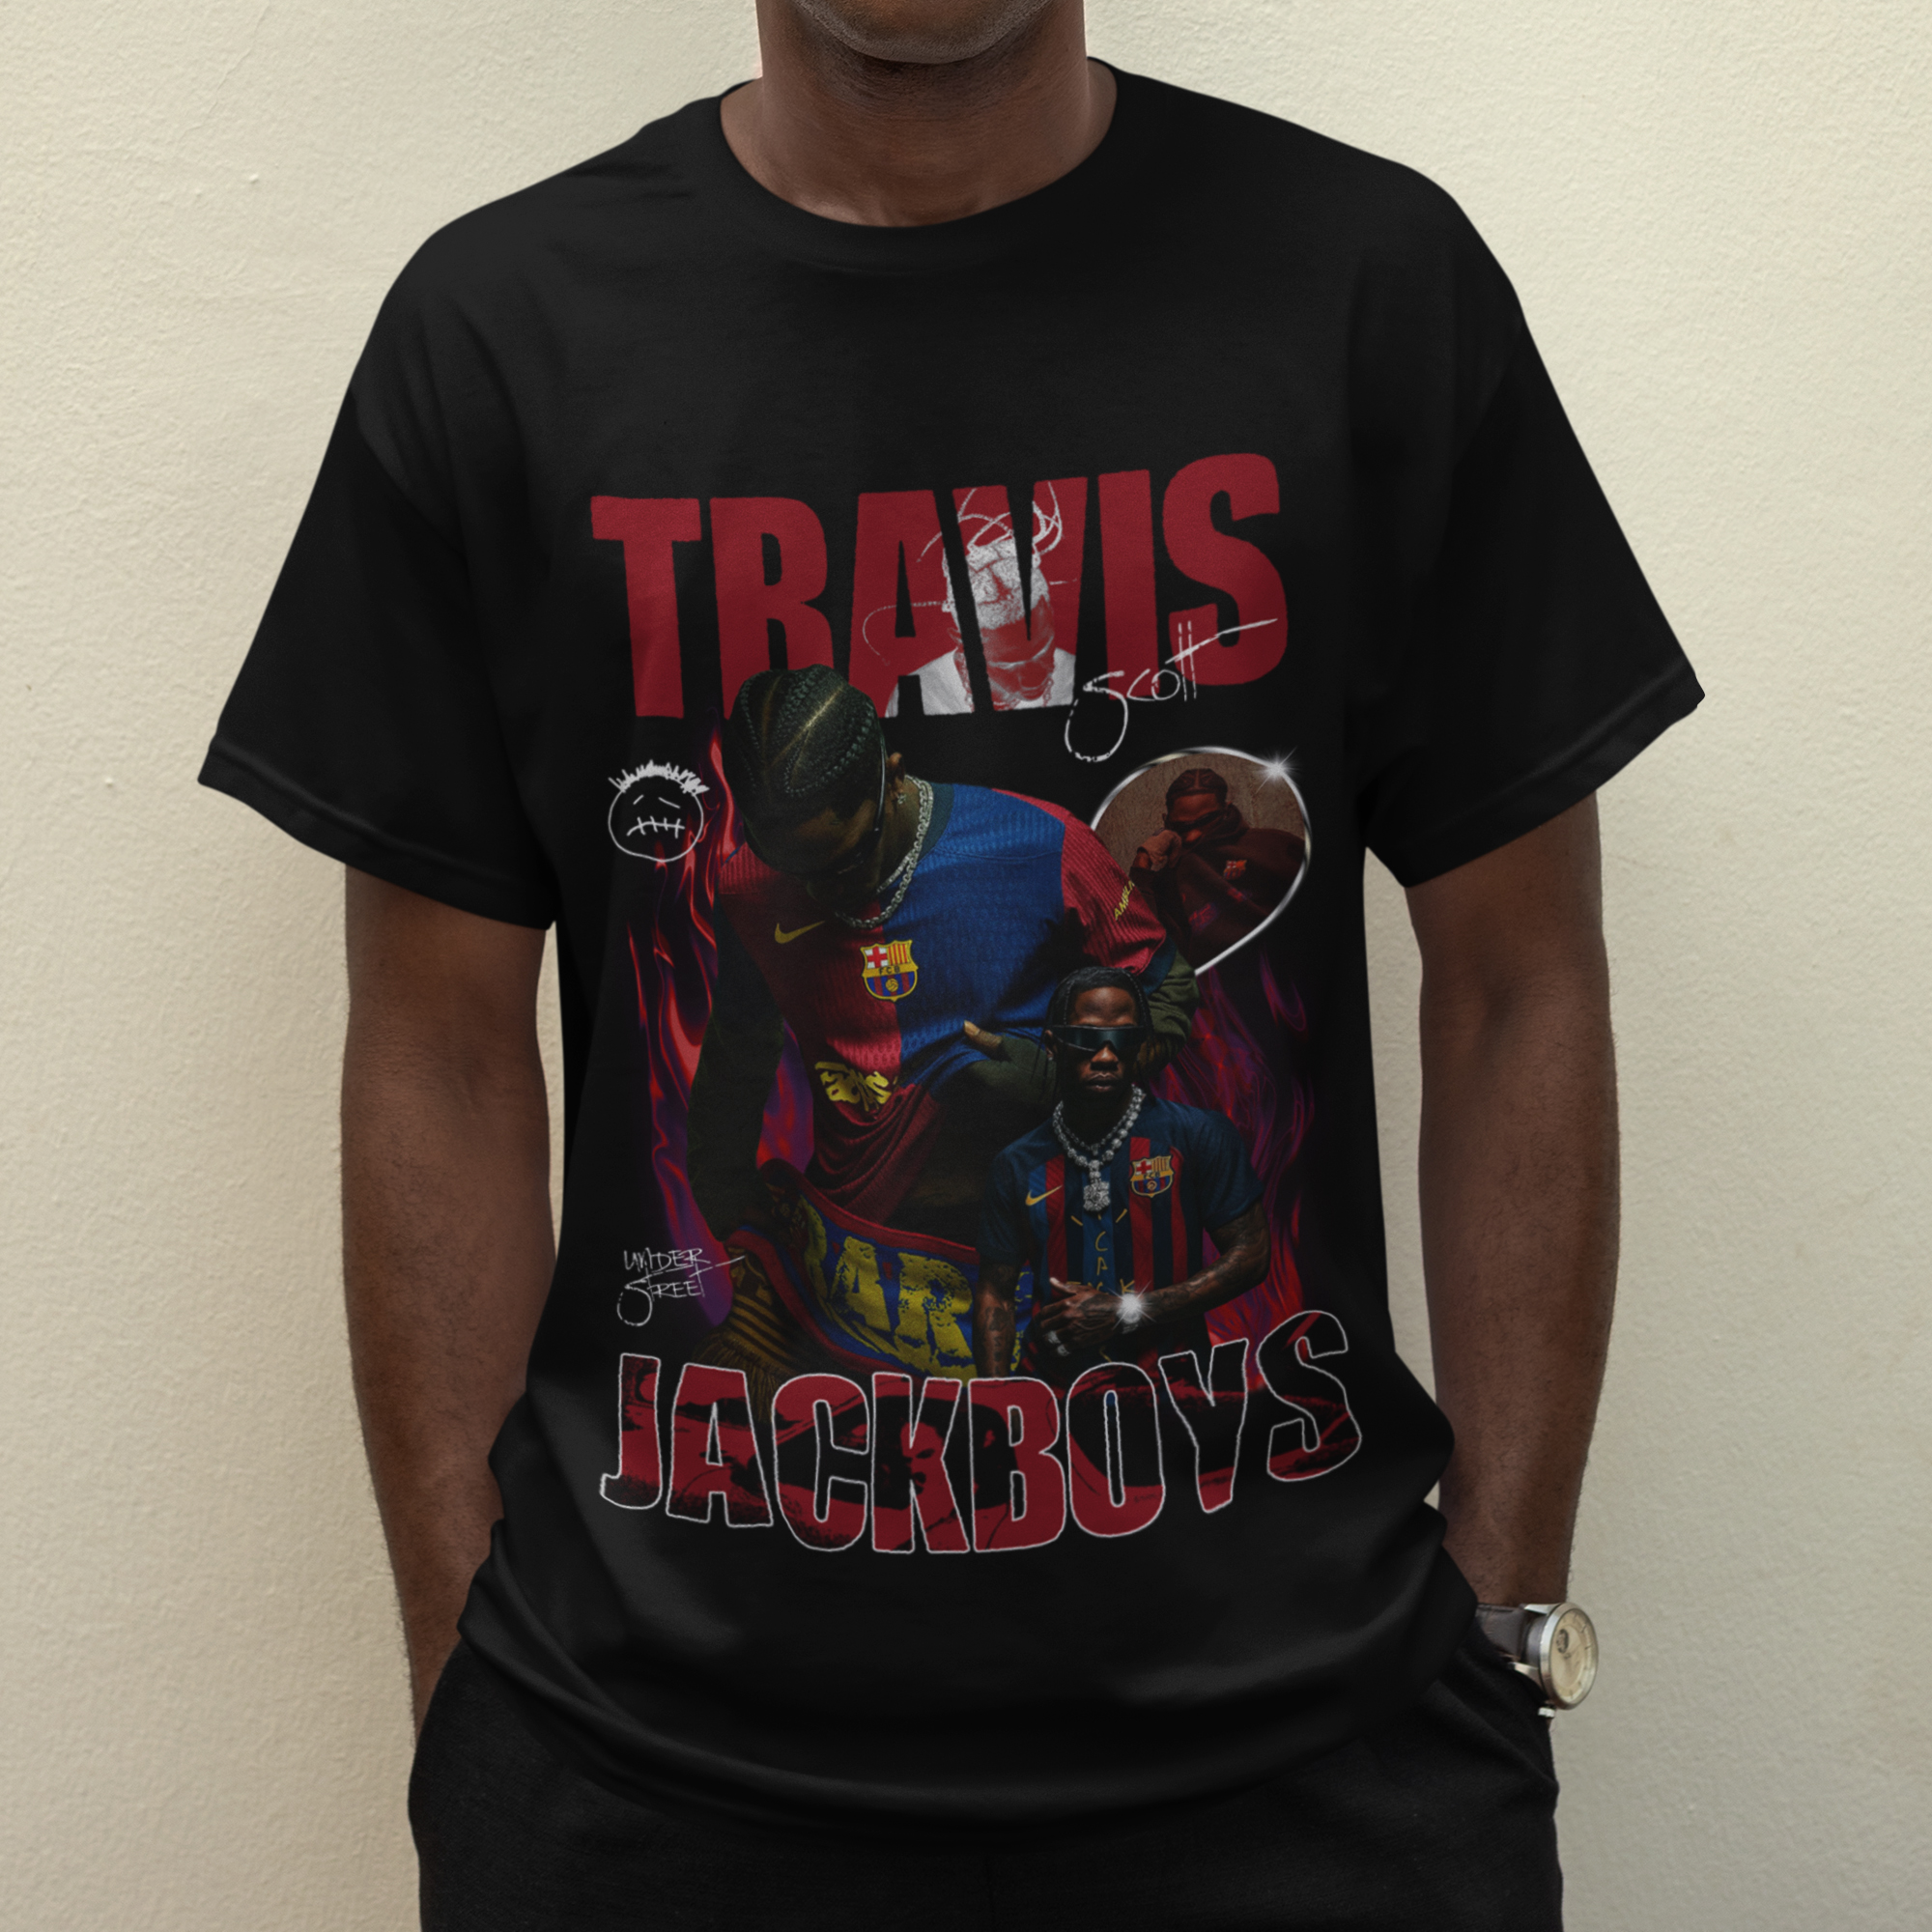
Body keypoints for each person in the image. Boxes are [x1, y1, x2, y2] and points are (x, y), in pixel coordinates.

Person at [200, 2, 1702, 1925]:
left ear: (888, 800)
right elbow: (443, 1051)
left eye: (840, 847)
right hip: (646, 1778)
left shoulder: (1366, 289)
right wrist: (471, 1701)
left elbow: (1516, 983)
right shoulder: (504, 334)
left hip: (1304, 1757)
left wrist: (1500, 1622)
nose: (812, 875)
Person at [689, 664, 1198, 1395]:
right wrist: (726, 1204)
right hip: (854, 1257)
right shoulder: (747, 887)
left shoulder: (1040, 843)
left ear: (893, 775)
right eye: (789, 862)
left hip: (1049, 1248)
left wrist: (1065, 1075)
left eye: (846, 860)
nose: (823, 890)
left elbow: (1168, 991)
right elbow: (736, 1052)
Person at [973, 965, 1267, 1381]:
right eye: (1087, 1038)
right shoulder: (1016, 1164)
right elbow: (996, 1294)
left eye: (1123, 1039)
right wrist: (998, 1402)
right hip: (1055, 1396)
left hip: (1172, 1392)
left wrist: (1128, 1312)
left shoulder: (1198, 1135)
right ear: (1053, 1046)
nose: (1107, 1056)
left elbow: (1251, 1254)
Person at [1131, 764, 1307, 966]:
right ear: (1167, 821)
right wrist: (1142, 863)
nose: (1192, 836)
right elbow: (1147, 945)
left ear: (1226, 810)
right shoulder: (1166, 882)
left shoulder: (1273, 846)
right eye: (1182, 826)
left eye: (1205, 821)